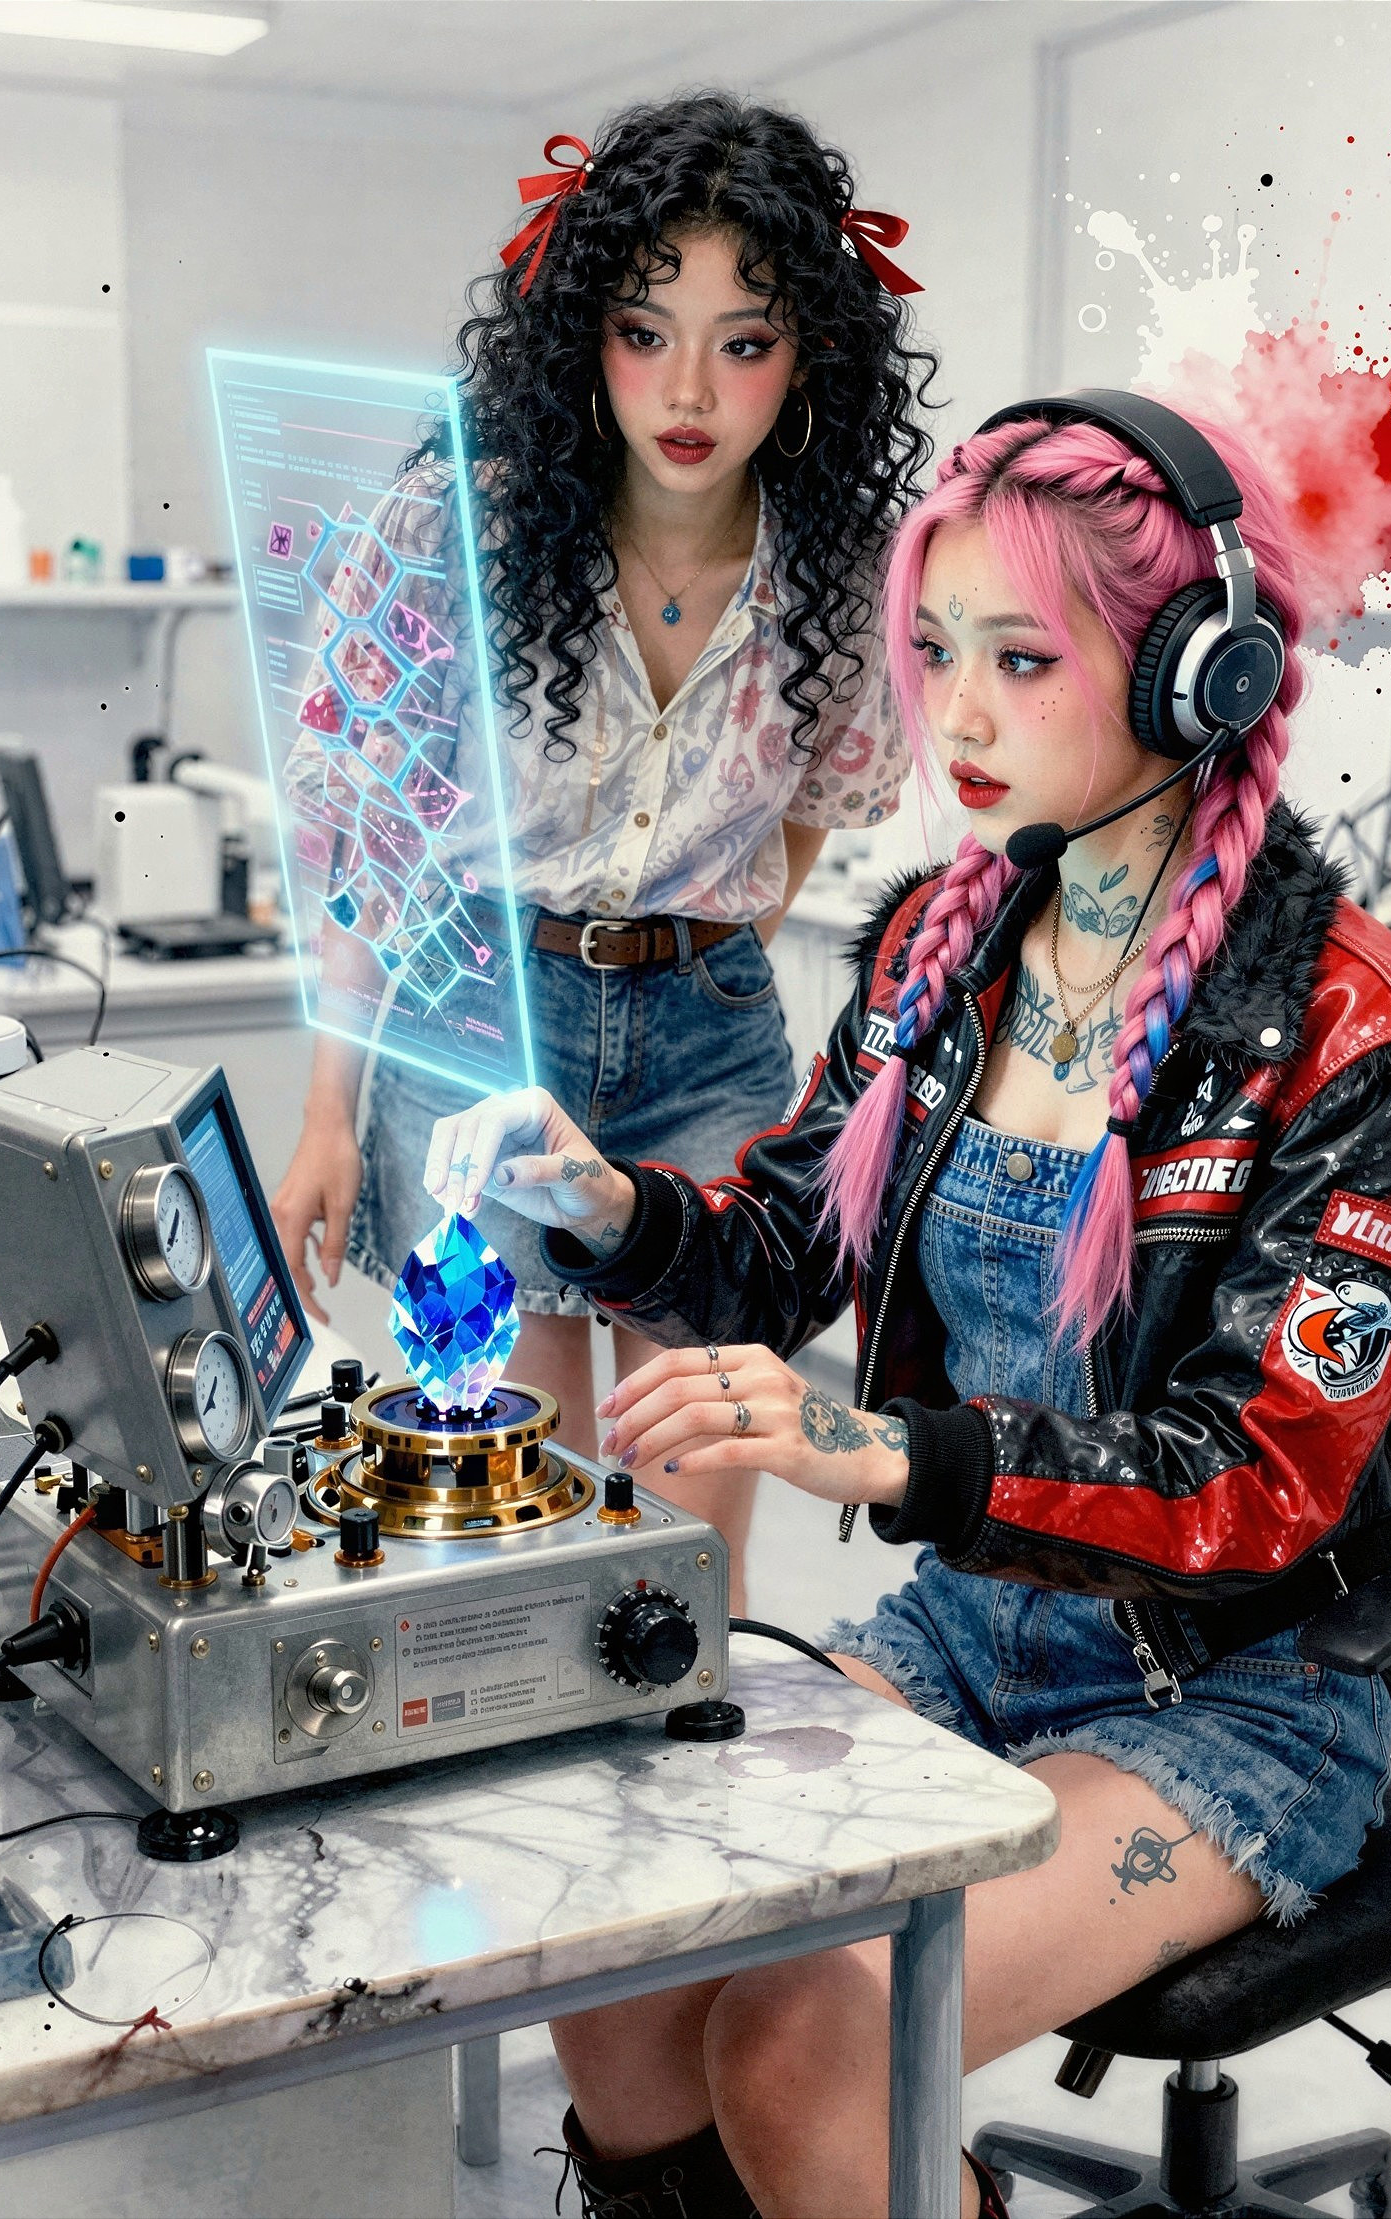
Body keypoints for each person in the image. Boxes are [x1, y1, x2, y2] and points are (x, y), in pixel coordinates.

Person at [422, 400, 1391, 2219]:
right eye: (933, 654)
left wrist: (873, 1444)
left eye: (1018, 658)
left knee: (807, 2046)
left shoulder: (1359, 1039)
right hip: (979, 1640)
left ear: (1194, 681)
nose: (958, 717)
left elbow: (1248, 1488)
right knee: (610, 1942)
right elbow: (773, 1246)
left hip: (1236, 1701)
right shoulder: (939, 946)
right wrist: (602, 1209)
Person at [272, 94, 935, 1612]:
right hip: (476, 1024)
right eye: (648, 331)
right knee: (533, 1522)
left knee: (686, 1559)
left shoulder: (839, 572)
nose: (689, 387)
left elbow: (813, 806)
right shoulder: (458, 528)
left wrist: (693, 969)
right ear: (585, 335)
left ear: (811, 356)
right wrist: (327, 1111)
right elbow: (370, 833)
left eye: (744, 342)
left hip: (708, 1041)